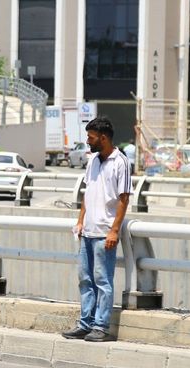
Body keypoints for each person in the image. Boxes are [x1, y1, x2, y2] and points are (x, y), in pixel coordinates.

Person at [62, 117, 132, 342]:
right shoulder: (92, 160)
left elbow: (123, 200)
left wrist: (114, 231)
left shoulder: (120, 162)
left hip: (104, 234)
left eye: (91, 137)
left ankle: (101, 326)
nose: (87, 141)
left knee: (103, 281)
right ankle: (85, 323)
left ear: (103, 138)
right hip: (87, 232)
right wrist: (80, 221)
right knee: (85, 279)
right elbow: (87, 193)